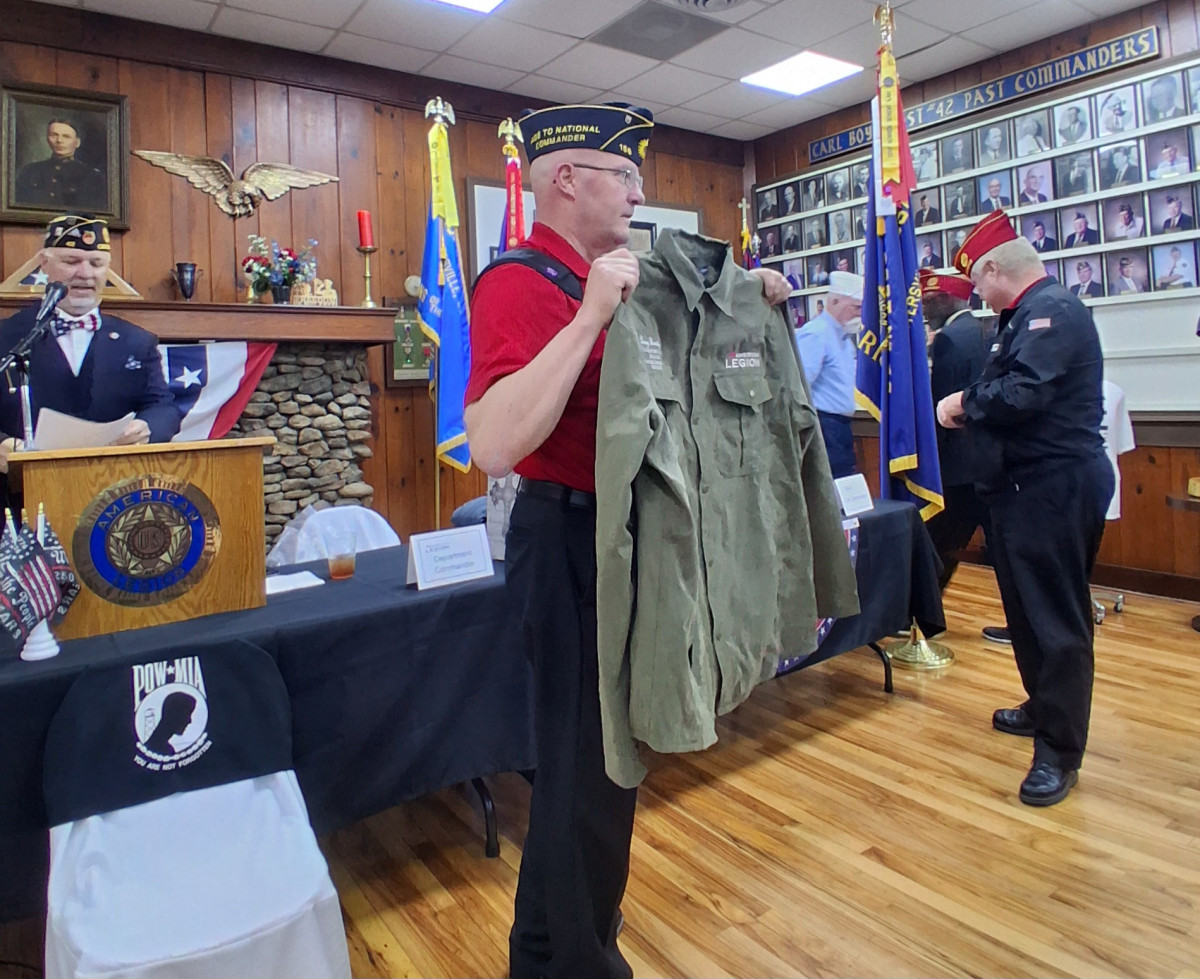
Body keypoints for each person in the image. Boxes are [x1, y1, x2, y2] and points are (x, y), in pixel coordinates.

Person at [463, 101, 790, 979]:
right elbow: (493, 443)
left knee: (602, 770)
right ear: (567, 179)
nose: (640, 192)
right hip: (569, 540)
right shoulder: (520, 282)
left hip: (626, 539)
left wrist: (748, 299)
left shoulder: (623, 278)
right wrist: (584, 321)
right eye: (625, 174)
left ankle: (551, 955)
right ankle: (580, 961)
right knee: (588, 772)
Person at [938, 209, 1112, 807]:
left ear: (994, 269)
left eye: (977, 282)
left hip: (1053, 489)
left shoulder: (1052, 311)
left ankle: (1059, 753)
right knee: (1027, 614)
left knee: (1056, 622)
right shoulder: (1025, 316)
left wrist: (962, 402)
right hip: (1019, 491)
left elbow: (1022, 392)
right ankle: (1043, 706)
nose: (977, 295)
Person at [0, 215, 181, 488]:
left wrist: (147, 428)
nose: (85, 274)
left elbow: (163, 407)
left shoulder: (136, 341)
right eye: (71, 261)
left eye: (96, 264)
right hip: (19, 494)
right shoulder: (7, 335)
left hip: (111, 491)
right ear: (44, 264)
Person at [920, 268, 991, 592]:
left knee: (940, 543)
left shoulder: (948, 339)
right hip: (985, 457)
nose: (925, 309)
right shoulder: (982, 330)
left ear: (950, 300)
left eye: (931, 301)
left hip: (956, 461)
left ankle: (921, 610)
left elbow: (943, 404)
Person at [794, 271, 863, 479]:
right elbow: (799, 385)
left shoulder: (842, 337)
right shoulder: (816, 333)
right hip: (824, 426)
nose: (860, 314)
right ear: (834, 301)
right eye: (856, 307)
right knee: (832, 483)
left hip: (840, 427)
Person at [14, 117, 106, 212]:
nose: (59, 140)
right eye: (54, 135)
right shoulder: (30, 171)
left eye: (66, 136)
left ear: (77, 143)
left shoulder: (92, 176)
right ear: (47, 139)